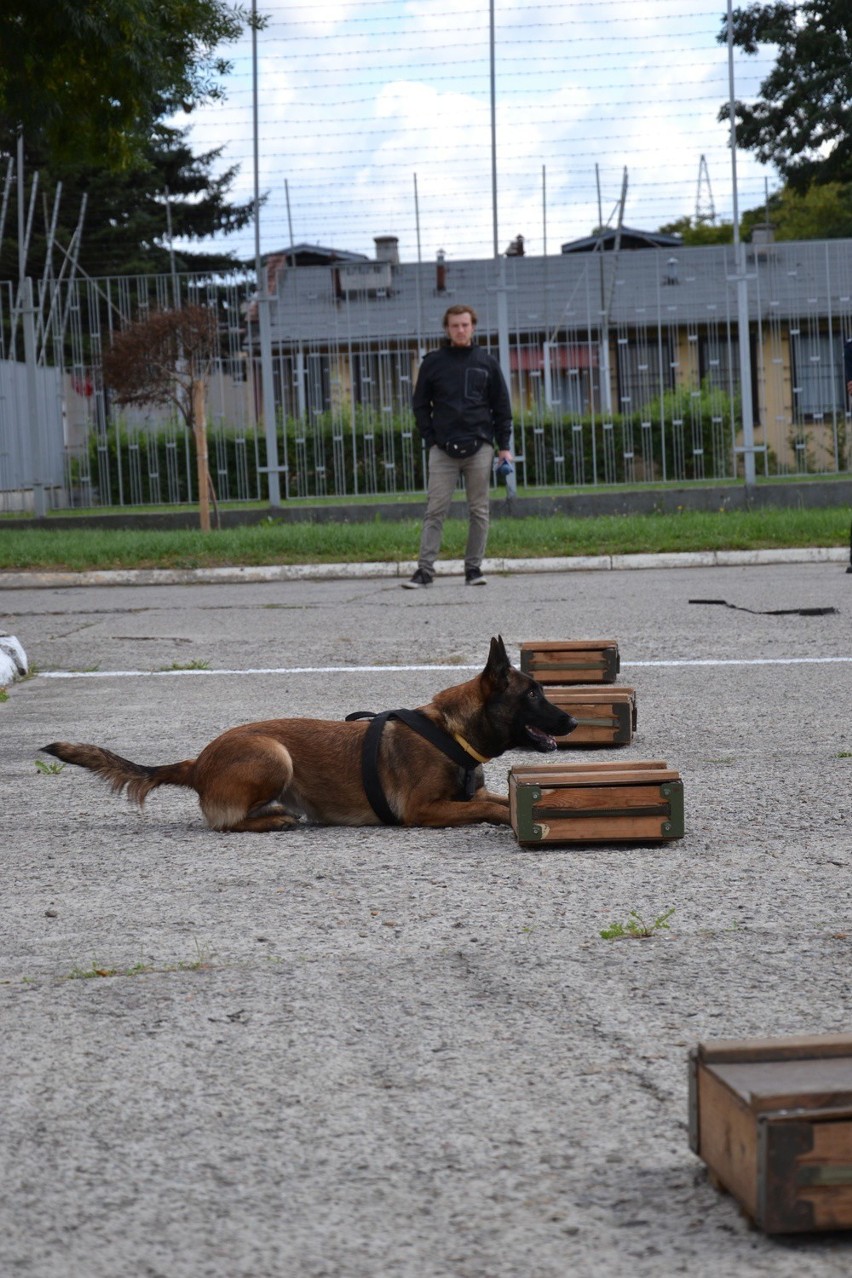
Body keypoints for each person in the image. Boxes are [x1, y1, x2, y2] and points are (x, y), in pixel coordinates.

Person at [403, 303, 514, 589]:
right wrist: (430, 438)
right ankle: (424, 571)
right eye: (455, 325)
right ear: (447, 329)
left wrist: (504, 446)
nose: (461, 330)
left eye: (465, 325)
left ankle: (474, 569)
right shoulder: (433, 362)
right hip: (442, 449)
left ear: (473, 326)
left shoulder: (486, 362)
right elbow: (419, 405)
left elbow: (501, 407)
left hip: (479, 447)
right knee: (435, 509)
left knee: (478, 510)